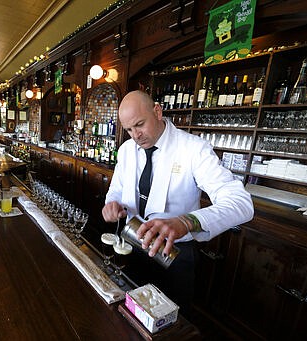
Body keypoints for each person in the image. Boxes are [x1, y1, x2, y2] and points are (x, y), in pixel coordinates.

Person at [102, 90, 254, 316]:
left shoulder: (193, 149)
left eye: (140, 124)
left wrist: (187, 221)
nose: (136, 135)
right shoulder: (126, 150)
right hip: (133, 244)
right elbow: (117, 188)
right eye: (129, 129)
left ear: (157, 111)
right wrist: (112, 202)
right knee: (130, 315)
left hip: (174, 253)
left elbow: (241, 203)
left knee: (175, 321)